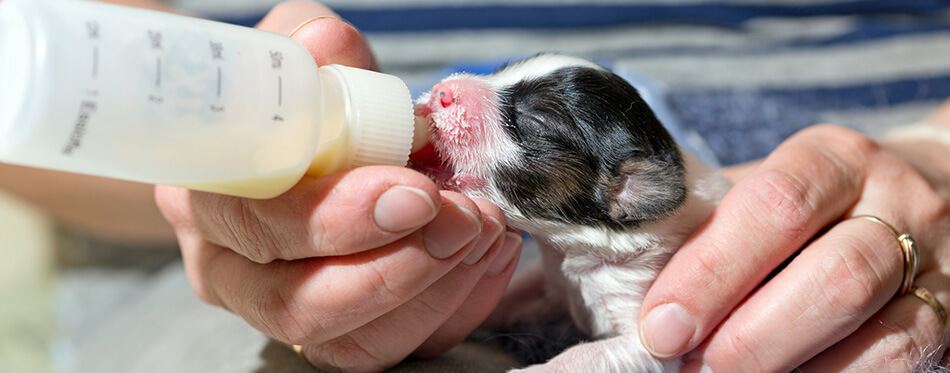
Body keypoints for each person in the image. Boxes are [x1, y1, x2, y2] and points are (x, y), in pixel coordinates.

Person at [3, 0, 946, 371]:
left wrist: (935, 162)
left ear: (631, 193)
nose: (449, 94)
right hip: (209, 257)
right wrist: (219, 179)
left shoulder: (636, 221)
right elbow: (49, 90)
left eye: (518, 115)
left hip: (871, 162)